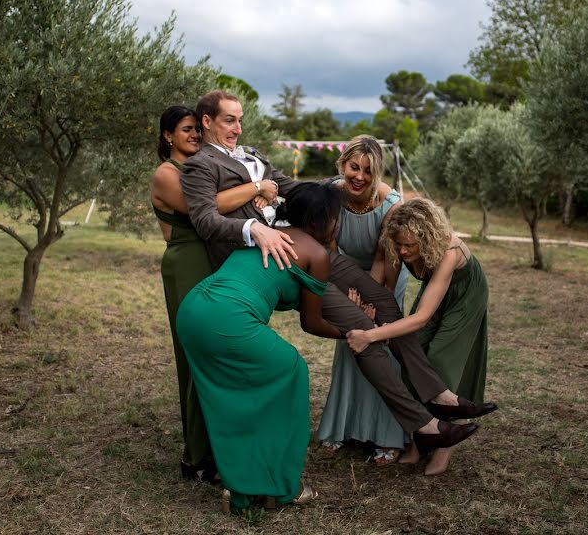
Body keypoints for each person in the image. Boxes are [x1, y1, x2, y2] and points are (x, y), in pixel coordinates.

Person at [180, 90, 489, 477]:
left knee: (382, 299)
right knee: (363, 324)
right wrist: (254, 229)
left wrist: (336, 189)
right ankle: (422, 425)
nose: (238, 128)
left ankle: (436, 393)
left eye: (240, 120)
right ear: (207, 121)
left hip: (305, 241)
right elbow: (205, 220)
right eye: (229, 120)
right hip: (280, 257)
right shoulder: (200, 166)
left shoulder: (253, 155)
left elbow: (293, 188)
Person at [173, 183, 353, 512]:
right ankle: (282, 486)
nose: (338, 224)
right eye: (336, 217)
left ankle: (243, 481)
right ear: (324, 218)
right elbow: (311, 323)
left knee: (231, 394)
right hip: (229, 319)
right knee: (292, 371)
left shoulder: (265, 233)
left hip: (193, 309)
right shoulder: (316, 253)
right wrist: (349, 333)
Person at [150, 105, 279, 482]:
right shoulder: (167, 173)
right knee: (196, 355)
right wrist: (256, 188)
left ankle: (221, 445)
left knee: (219, 351)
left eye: (196, 129)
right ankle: (197, 455)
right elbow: (203, 209)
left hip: (215, 259)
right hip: (187, 260)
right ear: (167, 136)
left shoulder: (201, 168)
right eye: (185, 129)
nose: (193, 135)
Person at [346, 197, 495, 476]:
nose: (403, 251)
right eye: (399, 244)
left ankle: (444, 447)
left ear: (427, 239)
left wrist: (371, 335)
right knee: (414, 356)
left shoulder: (448, 251)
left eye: (410, 246)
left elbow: (421, 318)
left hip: (465, 294)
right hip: (435, 290)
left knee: (441, 358)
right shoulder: (397, 245)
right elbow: (385, 292)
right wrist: (367, 309)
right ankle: (422, 436)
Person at [316, 135, 409, 461]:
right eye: (354, 167)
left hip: (385, 276)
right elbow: (327, 247)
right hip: (344, 271)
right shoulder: (330, 193)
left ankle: (388, 434)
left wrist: (370, 301)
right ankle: (342, 426)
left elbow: (385, 259)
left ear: (378, 173)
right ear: (343, 164)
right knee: (350, 340)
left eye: (368, 171)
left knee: (379, 342)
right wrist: (346, 296)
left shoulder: (390, 204)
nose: (359, 176)